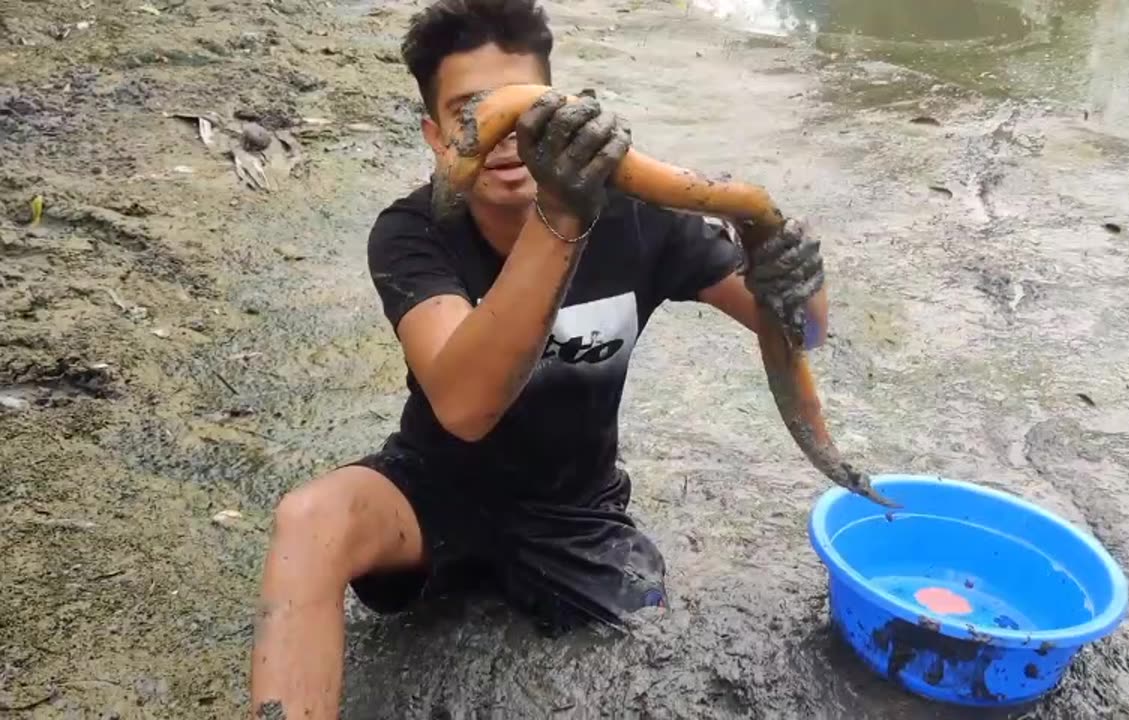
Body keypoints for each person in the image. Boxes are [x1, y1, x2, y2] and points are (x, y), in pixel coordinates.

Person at [247, 0, 827, 717]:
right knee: (310, 520)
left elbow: (801, 334)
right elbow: (464, 406)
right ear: (436, 136)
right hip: (431, 491)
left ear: (562, 110)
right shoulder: (410, 232)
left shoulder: (640, 218)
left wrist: (791, 273)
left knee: (658, 649)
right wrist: (561, 217)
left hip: (574, 510)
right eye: (468, 112)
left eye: (519, 107)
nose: (500, 135)